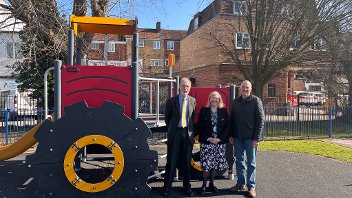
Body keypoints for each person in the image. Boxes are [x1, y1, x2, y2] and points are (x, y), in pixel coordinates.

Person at [229, 80, 264, 198]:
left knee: (251, 163)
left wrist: (257, 138)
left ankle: (251, 186)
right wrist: (231, 135)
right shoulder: (235, 102)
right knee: (239, 161)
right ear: (240, 89)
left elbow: (260, 121)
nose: (245, 89)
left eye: (247, 87)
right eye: (243, 87)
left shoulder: (256, 101)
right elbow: (232, 120)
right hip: (237, 138)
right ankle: (240, 183)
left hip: (251, 138)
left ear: (251, 88)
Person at [162, 77, 196, 197]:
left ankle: (187, 187)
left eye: (187, 86)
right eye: (183, 86)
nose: (185, 88)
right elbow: (167, 119)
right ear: (179, 87)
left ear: (190, 88)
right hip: (175, 134)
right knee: (171, 161)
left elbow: (192, 118)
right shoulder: (171, 101)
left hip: (187, 134)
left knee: (187, 162)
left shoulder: (193, 101)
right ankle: (167, 187)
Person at [197, 91, 229, 195]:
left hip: (219, 143)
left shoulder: (223, 111)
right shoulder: (204, 110)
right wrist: (209, 138)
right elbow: (200, 126)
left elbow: (227, 127)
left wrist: (219, 139)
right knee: (206, 165)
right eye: (212, 98)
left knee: (214, 164)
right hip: (207, 142)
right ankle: (204, 185)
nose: (214, 100)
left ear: (219, 100)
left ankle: (212, 184)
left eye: (216, 98)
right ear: (209, 99)